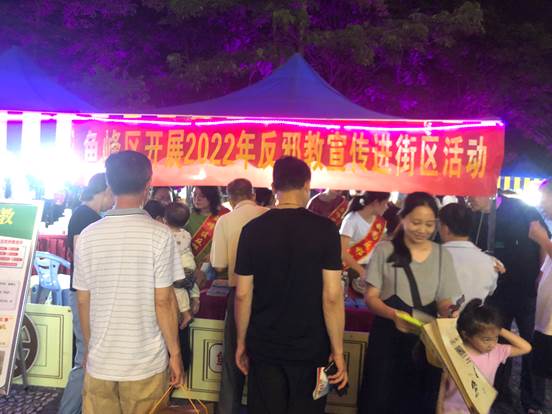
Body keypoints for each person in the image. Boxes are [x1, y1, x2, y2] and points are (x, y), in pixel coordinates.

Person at [234, 156, 348, 414]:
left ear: (274, 187)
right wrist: (338, 351)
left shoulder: (252, 230)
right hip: (311, 348)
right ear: (307, 185)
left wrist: (241, 343)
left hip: (264, 346)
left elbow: (243, 294)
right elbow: (332, 295)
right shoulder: (326, 230)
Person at [73, 151, 184, 414]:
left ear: (109, 186)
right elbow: (163, 301)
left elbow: (83, 299)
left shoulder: (88, 236)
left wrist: (89, 348)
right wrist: (175, 353)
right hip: (145, 364)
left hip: (100, 363)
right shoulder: (160, 235)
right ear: (148, 185)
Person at [358, 192, 462, 414]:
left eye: (429, 224)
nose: (422, 230)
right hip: (388, 338)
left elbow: (444, 300)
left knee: (419, 401)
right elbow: (371, 298)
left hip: (425, 341)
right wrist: (393, 315)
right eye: (416, 222)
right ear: (403, 218)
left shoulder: (442, 255)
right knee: (381, 399)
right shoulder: (385, 250)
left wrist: (451, 311)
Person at [468, 194, 549, 412]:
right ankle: (499, 393)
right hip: (495, 294)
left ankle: (533, 401)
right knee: (494, 342)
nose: (469, 198)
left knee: (531, 345)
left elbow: (542, 242)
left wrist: (540, 275)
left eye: (473, 194)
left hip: (527, 290)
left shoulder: (521, 209)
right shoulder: (474, 218)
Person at [210, 179, 268, 414]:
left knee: (234, 359)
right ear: (252, 194)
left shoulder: (225, 221)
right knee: (263, 358)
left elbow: (218, 264)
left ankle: (228, 409)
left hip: (238, 295)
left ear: (229, 197)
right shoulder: (268, 215)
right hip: (268, 295)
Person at [58, 173, 113, 414]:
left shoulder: (86, 215)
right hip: (84, 295)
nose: (114, 200)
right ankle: (69, 410)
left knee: (87, 355)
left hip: (85, 294)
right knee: (84, 356)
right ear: (106, 190)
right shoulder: (85, 217)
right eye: (113, 194)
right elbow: (83, 261)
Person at [439, 299, 532, 413]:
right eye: (486, 339)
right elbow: (442, 383)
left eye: (496, 337)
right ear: (466, 334)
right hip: (450, 409)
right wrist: (439, 409)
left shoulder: (496, 351)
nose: (492, 344)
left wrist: (498, 329)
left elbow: (526, 348)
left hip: (479, 409)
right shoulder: (455, 351)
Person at [439, 203, 498, 308]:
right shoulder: (489, 262)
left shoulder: (433, 257)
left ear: (446, 229)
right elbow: (491, 291)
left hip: (437, 318)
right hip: (473, 317)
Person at [339, 191, 390, 293]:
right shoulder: (351, 220)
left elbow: (383, 244)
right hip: (351, 270)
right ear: (376, 202)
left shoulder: (379, 222)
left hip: (370, 269)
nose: (387, 207)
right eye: (385, 203)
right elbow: (342, 252)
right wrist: (362, 271)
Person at [185, 186, 230, 287]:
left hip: (222, 272)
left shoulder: (225, 214)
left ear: (212, 196)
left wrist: (214, 254)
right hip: (198, 272)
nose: (197, 198)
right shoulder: (188, 217)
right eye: (194, 195)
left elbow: (232, 242)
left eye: (202, 196)